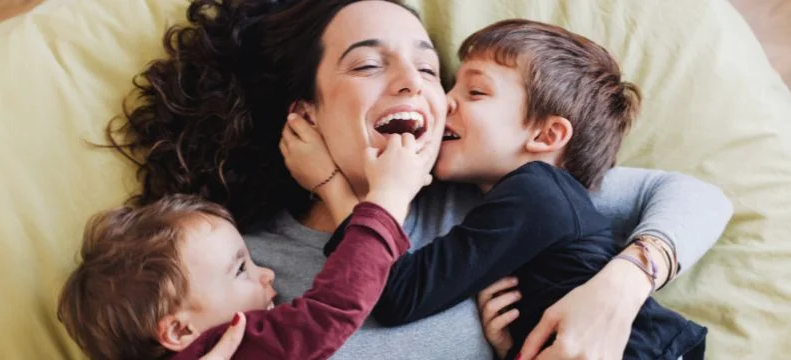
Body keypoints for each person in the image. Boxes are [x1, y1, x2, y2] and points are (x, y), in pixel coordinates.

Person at [109, 0, 733, 358]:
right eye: (369, 65)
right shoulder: (241, 267)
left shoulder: (489, 188)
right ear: (305, 114)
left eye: (430, 69)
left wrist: (623, 286)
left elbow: (695, 197)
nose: (415, 83)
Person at [293, 19, 708, 359]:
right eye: (449, 85)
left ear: (546, 136)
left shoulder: (538, 193)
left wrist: (332, 185)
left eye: (475, 92)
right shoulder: (530, 201)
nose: (445, 102)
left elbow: (396, 293)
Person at [56, 181, 423, 359]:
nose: (268, 274)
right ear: (180, 330)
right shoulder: (236, 345)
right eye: (240, 270)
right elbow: (333, 307)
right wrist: (382, 209)